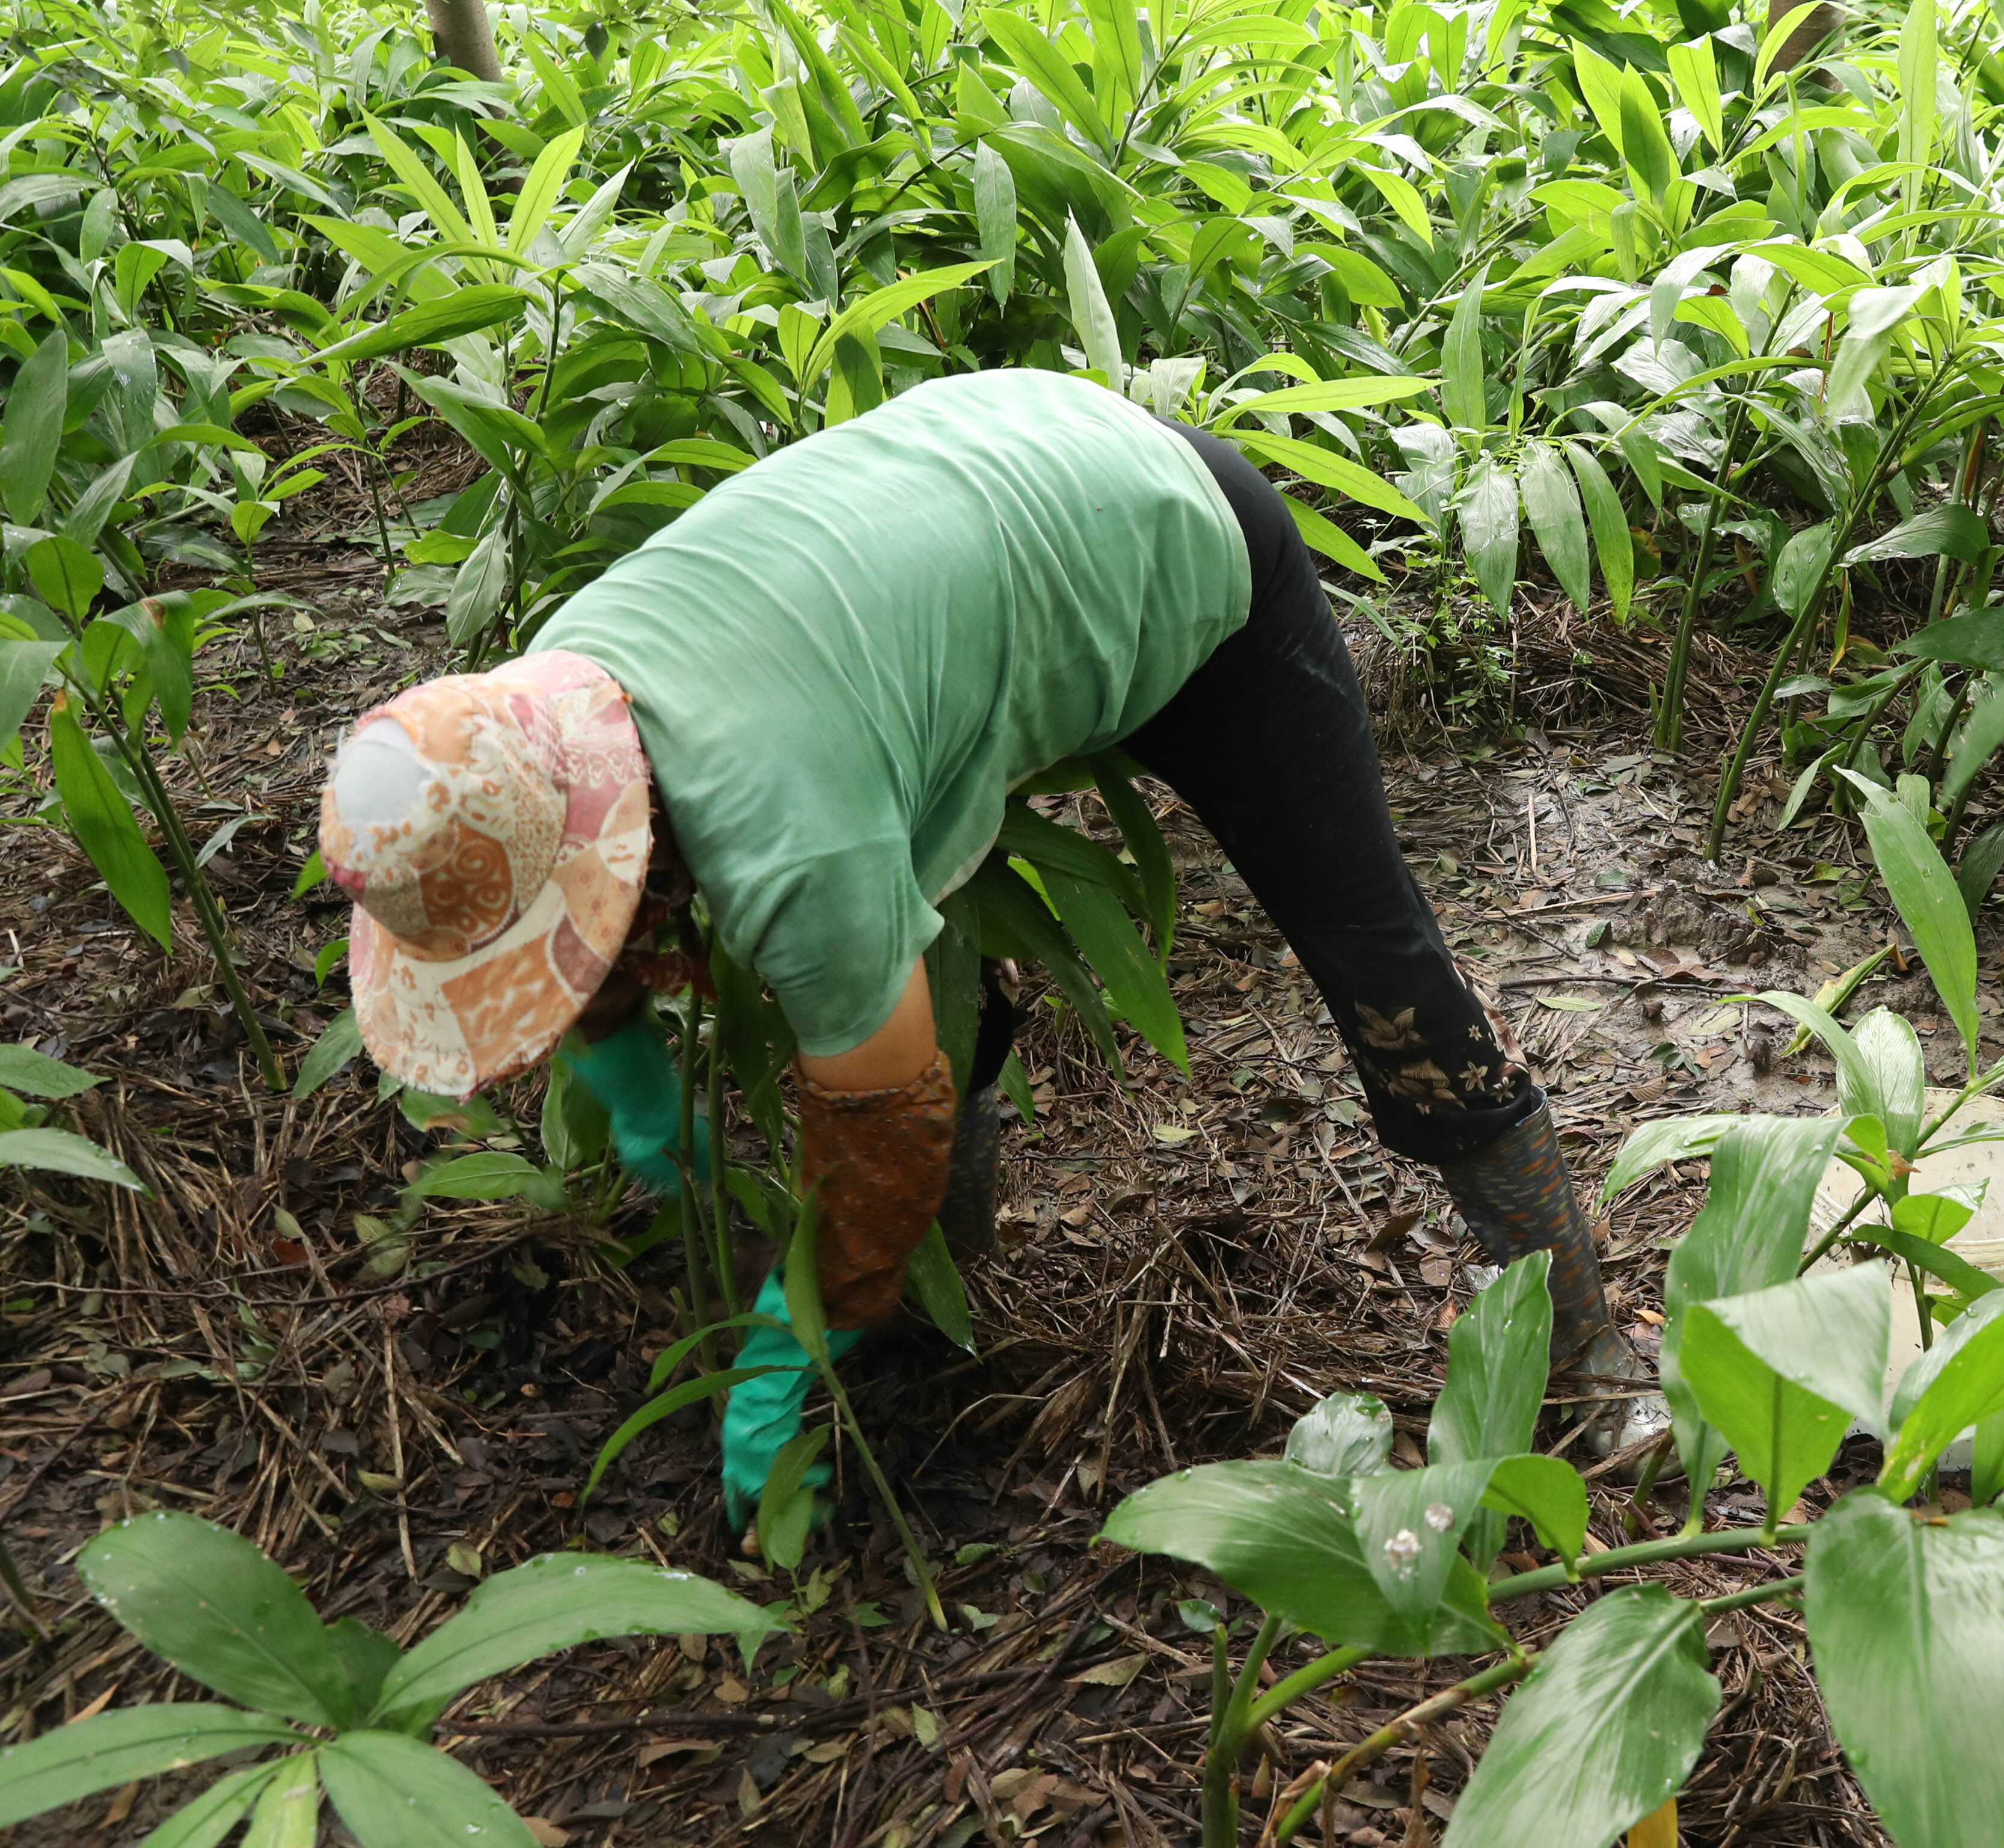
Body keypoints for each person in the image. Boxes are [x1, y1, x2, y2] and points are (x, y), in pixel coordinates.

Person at [316, 370, 1665, 1527]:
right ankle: (933, 1313)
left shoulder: (790, 835)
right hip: (976, 495)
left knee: (1376, 958)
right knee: (913, 969)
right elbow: (582, 900)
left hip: (1166, 535)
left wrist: (805, 1329)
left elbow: (883, 1114)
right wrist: (626, 1073)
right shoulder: (539, 708)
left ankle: (1589, 1350)